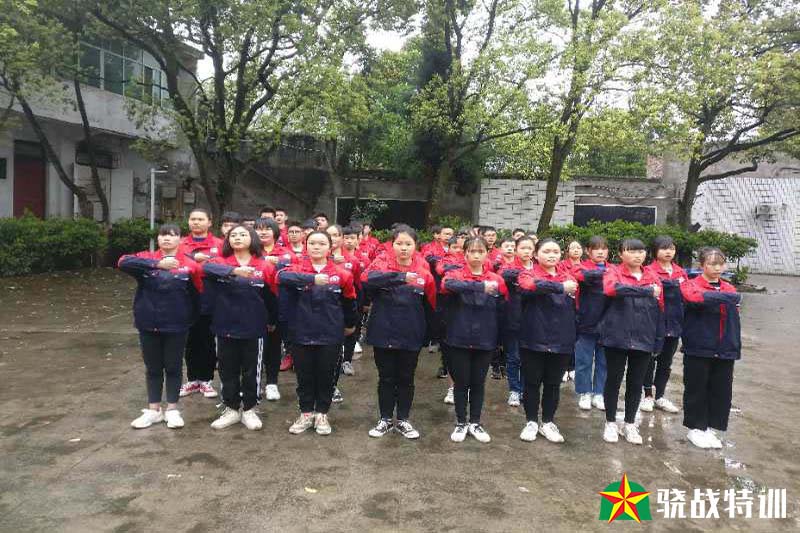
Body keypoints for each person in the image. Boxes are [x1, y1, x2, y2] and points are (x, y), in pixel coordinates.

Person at [119, 224, 202, 429]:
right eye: (163, 235)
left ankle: (172, 409)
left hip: (177, 324)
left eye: (172, 235)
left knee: (173, 366)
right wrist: (157, 264)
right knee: (153, 368)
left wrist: (188, 318)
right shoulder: (146, 258)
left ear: (180, 239)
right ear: (157, 239)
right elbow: (123, 262)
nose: (166, 238)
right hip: (148, 323)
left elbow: (197, 294)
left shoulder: (190, 264)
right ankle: (154, 410)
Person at [278, 231, 357, 436]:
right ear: (306, 246)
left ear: (330, 247)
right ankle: (306, 413)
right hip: (301, 331)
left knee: (326, 375)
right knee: (304, 375)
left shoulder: (342, 274)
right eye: (312, 243)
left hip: (330, 332)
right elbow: (281, 277)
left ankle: (322, 413)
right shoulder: (295, 269)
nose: (316, 247)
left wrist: (350, 324)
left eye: (321, 243)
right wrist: (313, 278)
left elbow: (349, 301)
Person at [361, 226, 437, 439]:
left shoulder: (424, 273)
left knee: (406, 377)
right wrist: (401, 277)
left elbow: (431, 305)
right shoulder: (380, 265)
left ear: (415, 246)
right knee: (386, 377)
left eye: (408, 244)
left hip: (411, 332)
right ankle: (385, 419)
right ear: (392, 245)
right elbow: (366, 280)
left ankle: (403, 419)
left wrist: (430, 335)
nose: (403, 248)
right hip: (383, 331)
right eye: (399, 243)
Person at [203, 225, 278, 431]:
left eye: (243, 234)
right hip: (225, 325)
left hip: (254, 327)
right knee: (227, 369)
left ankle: (250, 409)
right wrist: (234, 271)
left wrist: (272, 320)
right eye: (233, 235)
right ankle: (231, 408)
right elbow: (205, 269)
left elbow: (272, 296)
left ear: (252, 238)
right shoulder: (219, 263)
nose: (237, 238)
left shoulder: (264, 266)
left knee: (252, 370)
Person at [442, 236, 508, 443]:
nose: (477, 255)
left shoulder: (496, 279)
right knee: (461, 383)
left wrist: (500, 338)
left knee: (478, 383)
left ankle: (475, 422)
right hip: (459, 337)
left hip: (485, 338)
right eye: (472, 251)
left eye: (481, 251)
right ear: (465, 254)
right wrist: (479, 287)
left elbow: (502, 308)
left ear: (487, 254)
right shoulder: (455, 274)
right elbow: (448, 285)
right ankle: (461, 422)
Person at [599, 238, 664, 445]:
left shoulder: (652, 276)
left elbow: (660, 309)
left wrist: (658, 338)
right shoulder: (613, 272)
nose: (637, 255)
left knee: (636, 383)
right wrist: (645, 291)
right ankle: (610, 422)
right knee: (614, 380)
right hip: (616, 336)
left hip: (644, 336)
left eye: (641, 251)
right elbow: (612, 289)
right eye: (632, 251)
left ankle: (629, 423)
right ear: (620, 254)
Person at [516, 238, 579, 443]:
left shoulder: (568, 276)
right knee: (532, 382)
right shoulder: (527, 274)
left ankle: (548, 422)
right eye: (546, 251)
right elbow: (530, 286)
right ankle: (531, 421)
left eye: (556, 252)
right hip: (533, 336)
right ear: (536, 254)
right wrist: (560, 287)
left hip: (561, 338)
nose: (552, 255)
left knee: (553, 384)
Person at [680, 247, 741, 449]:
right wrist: (722, 297)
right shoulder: (691, 285)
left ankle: (710, 428)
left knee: (721, 389)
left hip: (725, 347)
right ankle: (695, 428)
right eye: (712, 264)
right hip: (699, 345)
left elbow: (733, 301)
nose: (717, 268)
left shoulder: (728, 287)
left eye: (720, 264)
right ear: (701, 265)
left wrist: (715, 297)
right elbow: (695, 298)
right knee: (696, 387)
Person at [178, 208, 222, 399]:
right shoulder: (181, 244)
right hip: (186, 299)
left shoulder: (219, 244)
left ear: (209, 222)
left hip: (211, 299)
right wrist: (191, 259)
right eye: (193, 219)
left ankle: (206, 380)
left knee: (207, 341)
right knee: (190, 341)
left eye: (200, 219)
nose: (196, 222)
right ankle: (192, 379)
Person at [641, 236, 686, 414]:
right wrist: (673, 284)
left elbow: (686, 294)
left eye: (671, 248)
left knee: (666, 362)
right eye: (664, 248)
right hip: (654, 323)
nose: (668, 252)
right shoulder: (648, 271)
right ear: (655, 251)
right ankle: (647, 395)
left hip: (674, 323)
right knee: (649, 360)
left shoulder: (680, 272)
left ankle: (659, 395)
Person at [254, 217, 293, 401]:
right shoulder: (250, 252)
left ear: (276, 232)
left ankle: (271, 383)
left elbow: (290, 271)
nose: (263, 232)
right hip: (254, 306)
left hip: (279, 305)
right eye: (259, 229)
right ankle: (254, 384)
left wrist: (273, 262)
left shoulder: (286, 253)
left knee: (274, 346)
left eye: (267, 229)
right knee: (254, 348)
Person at [572, 236, 611, 411]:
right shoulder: (581, 267)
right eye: (596, 248)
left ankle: (599, 393)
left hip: (609, 324)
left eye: (604, 248)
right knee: (583, 361)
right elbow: (579, 276)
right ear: (588, 251)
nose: (600, 252)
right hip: (585, 322)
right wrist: (603, 273)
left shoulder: (614, 269)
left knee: (604, 362)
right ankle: (584, 392)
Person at [497, 236, 536, 408]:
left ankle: (525, 389)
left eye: (529, 248)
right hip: (513, 317)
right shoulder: (509, 267)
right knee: (513, 356)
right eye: (522, 248)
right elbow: (501, 276)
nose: (526, 251)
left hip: (534, 320)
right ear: (516, 250)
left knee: (529, 357)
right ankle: (514, 389)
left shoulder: (539, 267)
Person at [326, 224, 362, 402]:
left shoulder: (352, 261)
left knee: (335, 351)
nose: (333, 239)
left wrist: (354, 313)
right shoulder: (312, 258)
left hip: (340, 311)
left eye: (336, 235)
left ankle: (332, 386)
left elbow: (357, 286)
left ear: (341, 238)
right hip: (316, 312)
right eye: (329, 235)